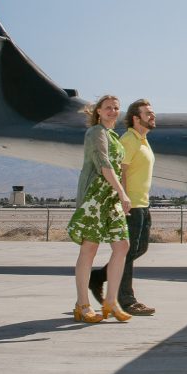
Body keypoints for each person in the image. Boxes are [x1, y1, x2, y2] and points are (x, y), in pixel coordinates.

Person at [67, 94, 132, 323]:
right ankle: (82, 304)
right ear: (98, 111)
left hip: (111, 197)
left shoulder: (114, 135)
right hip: (95, 196)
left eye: (116, 107)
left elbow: (118, 167)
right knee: (90, 248)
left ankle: (111, 301)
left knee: (122, 245)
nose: (113, 111)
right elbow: (104, 165)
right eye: (108, 108)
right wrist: (123, 193)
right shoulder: (96, 133)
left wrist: (121, 193)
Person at [89, 98, 157, 316]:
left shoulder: (143, 140)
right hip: (131, 204)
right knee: (126, 253)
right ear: (136, 118)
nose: (152, 116)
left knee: (140, 249)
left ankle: (98, 278)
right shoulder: (129, 139)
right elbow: (121, 170)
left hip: (142, 203)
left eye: (152, 112)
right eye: (148, 113)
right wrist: (123, 199)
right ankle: (126, 300)